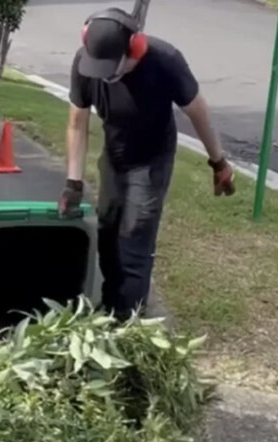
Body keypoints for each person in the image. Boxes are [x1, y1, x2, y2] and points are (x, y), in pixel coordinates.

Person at [60, 7, 235, 321]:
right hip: (114, 157)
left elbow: (197, 111)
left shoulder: (165, 61)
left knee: (134, 236)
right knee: (108, 232)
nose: (105, 76)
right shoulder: (86, 64)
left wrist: (218, 162)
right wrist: (73, 183)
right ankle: (113, 306)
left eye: (112, 69)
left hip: (152, 158)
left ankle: (129, 321)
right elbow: (77, 124)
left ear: (135, 49)